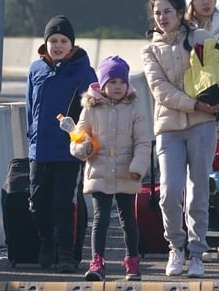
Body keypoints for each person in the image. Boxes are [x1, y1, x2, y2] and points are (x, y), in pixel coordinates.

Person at [142, 0, 219, 278]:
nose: (162, 17)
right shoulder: (150, 49)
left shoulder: (200, 38)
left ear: (179, 12)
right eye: (157, 13)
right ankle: (176, 247)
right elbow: (160, 90)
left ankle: (197, 252)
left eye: (167, 11)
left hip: (203, 125)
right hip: (169, 127)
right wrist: (196, 104)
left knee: (198, 189)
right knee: (169, 192)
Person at [26, 15, 97, 273]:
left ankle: (66, 253)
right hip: (40, 150)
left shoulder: (84, 72)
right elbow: (29, 106)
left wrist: (82, 140)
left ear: (72, 44)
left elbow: (93, 112)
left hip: (69, 151)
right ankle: (46, 242)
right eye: (53, 40)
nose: (58, 45)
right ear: (46, 43)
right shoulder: (36, 69)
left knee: (63, 204)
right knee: (38, 204)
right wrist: (32, 135)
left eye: (63, 41)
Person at [72, 56, 153, 282]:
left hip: (127, 170)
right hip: (99, 169)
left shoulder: (135, 109)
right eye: (112, 81)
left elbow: (143, 141)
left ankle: (132, 260)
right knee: (101, 219)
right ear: (102, 84)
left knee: (128, 218)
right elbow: (78, 139)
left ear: (127, 84)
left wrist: (138, 167)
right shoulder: (90, 109)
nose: (117, 87)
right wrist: (84, 148)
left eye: (121, 81)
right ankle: (97, 260)